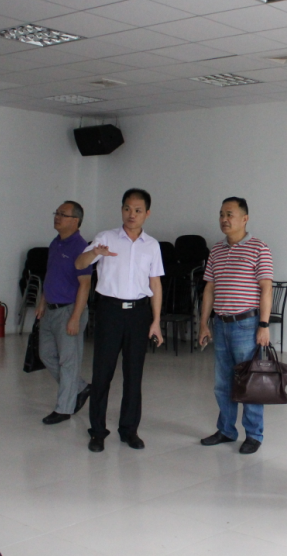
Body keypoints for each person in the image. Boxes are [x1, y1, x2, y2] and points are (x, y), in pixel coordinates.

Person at [75, 188, 164, 453]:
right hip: (110, 312)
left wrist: (156, 321)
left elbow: (155, 284)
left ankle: (129, 430)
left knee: (134, 376)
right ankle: (97, 431)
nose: (131, 214)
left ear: (147, 213)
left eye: (137, 210)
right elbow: (80, 263)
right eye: (127, 209)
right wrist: (95, 252)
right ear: (121, 209)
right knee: (102, 373)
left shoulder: (152, 245)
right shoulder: (105, 238)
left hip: (139, 314)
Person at [198, 197, 273, 455]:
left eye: (229, 214)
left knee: (250, 382)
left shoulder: (259, 248)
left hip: (247, 325)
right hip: (221, 324)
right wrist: (203, 324)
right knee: (223, 383)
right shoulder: (216, 250)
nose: (224, 219)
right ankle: (226, 430)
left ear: (245, 218)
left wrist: (264, 325)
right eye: (221, 214)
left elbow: (266, 289)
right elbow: (209, 289)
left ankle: (254, 434)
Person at [36, 201, 93, 425]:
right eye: (56, 213)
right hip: (50, 309)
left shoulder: (80, 247)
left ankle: (64, 409)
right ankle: (80, 387)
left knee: (68, 362)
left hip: (69, 310)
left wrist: (75, 317)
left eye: (63, 214)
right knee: (46, 355)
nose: (57, 217)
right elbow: (51, 274)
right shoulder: (55, 243)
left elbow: (85, 285)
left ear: (75, 220)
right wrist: (42, 301)